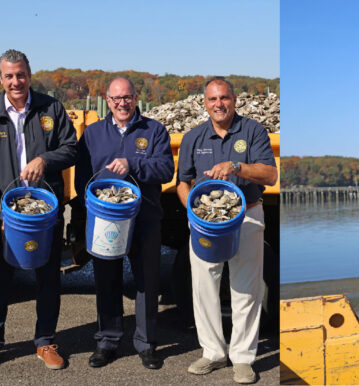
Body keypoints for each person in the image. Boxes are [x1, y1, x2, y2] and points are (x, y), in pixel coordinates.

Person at [176, 77, 277, 384]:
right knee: (204, 285)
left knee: (246, 289)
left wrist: (237, 166)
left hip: (246, 216)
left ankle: (243, 358)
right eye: (212, 99)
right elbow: (183, 182)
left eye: (224, 98)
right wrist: (193, 212)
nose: (219, 104)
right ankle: (213, 352)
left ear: (235, 100)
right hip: (207, 223)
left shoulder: (254, 131)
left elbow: (270, 175)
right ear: (204, 103)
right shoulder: (194, 136)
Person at [74, 77, 174, 369]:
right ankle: (107, 341)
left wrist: (134, 163)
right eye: (116, 98)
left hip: (145, 219)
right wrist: (92, 206)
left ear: (135, 98)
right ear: (107, 100)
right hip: (107, 220)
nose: (122, 103)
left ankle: (146, 344)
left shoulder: (154, 130)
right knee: (106, 280)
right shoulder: (92, 133)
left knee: (147, 282)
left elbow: (166, 169)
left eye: (127, 97)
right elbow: (82, 178)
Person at [0, 49, 77, 369]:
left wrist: (45, 159)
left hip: (45, 211)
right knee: (1, 277)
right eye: (9, 76)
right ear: (1, 79)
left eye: (21, 75)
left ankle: (45, 341)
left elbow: (71, 148)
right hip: (5, 211)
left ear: (29, 76)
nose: (16, 81)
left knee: (48, 277)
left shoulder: (51, 107)